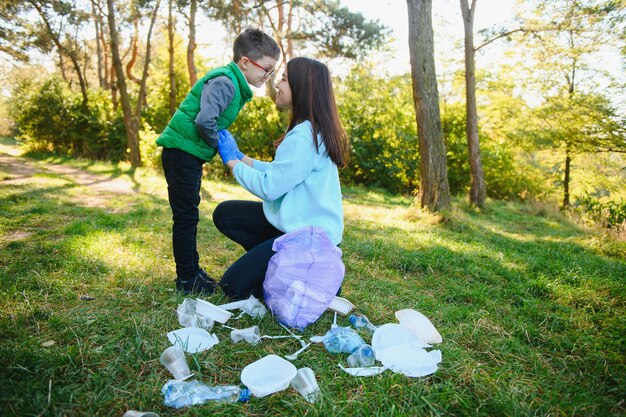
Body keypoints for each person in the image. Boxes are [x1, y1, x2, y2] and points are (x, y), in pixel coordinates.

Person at [213, 57, 350, 300]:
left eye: (284, 79)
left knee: (232, 287)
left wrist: (231, 162)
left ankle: (304, 278)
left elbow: (270, 187)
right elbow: (282, 172)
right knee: (227, 214)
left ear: (301, 88)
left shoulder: (304, 137)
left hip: (310, 244)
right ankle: (284, 269)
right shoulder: (310, 130)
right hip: (299, 232)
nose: (277, 83)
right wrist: (242, 158)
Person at [156, 28, 280, 295]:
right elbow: (204, 121)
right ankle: (187, 278)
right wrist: (220, 146)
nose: (268, 76)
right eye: (266, 69)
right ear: (245, 62)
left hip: (189, 153)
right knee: (186, 217)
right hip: (181, 152)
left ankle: (192, 270)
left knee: (190, 214)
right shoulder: (225, 82)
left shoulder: (234, 84)